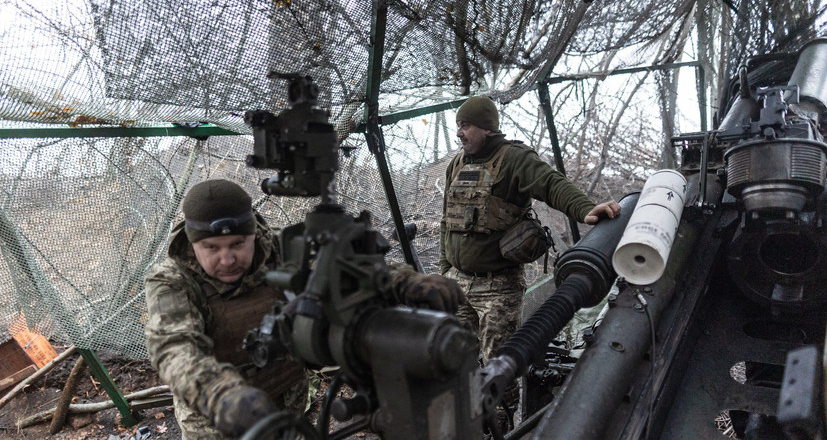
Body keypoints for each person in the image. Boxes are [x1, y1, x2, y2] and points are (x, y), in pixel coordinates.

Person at [145, 179, 463, 440]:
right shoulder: (172, 281)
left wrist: (405, 282)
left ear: (253, 234)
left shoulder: (283, 249)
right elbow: (174, 349)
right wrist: (222, 395)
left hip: (289, 401)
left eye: (238, 244)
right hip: (217, 420)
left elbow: (345, 269)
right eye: (211, 248)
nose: (227, 260)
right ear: (192, 241)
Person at [438, 96, 621, 424]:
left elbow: (552, 185)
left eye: (465, 126)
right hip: (457, 282)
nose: (459, 134)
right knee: (455, 357)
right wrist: (444, 269)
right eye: (458, 127)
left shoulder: (514, 159)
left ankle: (503, 426)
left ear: (486, 127)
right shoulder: (457, 164)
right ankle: (465, 425)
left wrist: (584, 208)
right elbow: (446, 221)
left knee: (499, 367)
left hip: (497, 287)